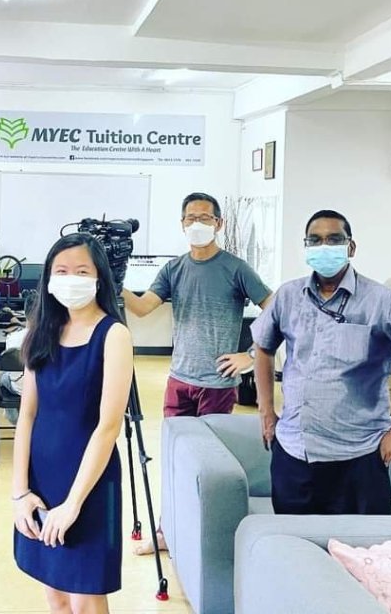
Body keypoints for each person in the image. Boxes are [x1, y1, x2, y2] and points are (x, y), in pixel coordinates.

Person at [252, 209, 391, 516]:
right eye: (315, 240)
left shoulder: (382, 301)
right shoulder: (288, 296)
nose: (324, 247)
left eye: (334, 239)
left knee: (363, 545)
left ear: (351, 247)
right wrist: (266, 411)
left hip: (359, 458)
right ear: (305, 247)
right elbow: (263, 347)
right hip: (293, 453)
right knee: (296, 543)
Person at [121, 191, 272, 553]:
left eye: (205, 218)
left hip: (217, 384)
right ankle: (166, 531)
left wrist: (251, 355)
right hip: (179, 381)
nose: (198, 224)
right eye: (191, 218)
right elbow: (141, 308)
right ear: (182, 224)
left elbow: (277, 310)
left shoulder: (236, 268)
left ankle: (205, 538)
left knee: (207, 466)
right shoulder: (173, 269)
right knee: (174, 459)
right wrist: (112, 284)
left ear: (219, 223)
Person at [12, 234, 134, 614]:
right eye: (61, 271)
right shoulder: (41, 331)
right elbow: (27, 415)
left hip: (90, 483)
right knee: (56, 594)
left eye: (82, 271)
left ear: (99, 278)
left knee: (86, 596)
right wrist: (19, 492)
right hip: (42, 479)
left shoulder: (113, 335)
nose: (71, 279)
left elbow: (108, 427)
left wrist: (73, 503)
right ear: (49, 278)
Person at [0, 290, 39, 424]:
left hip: (18, 386)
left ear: (25, 313)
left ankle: (14, 418)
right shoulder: (51, 338)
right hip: (42, 389)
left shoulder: (13, 337)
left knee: (1, 376)